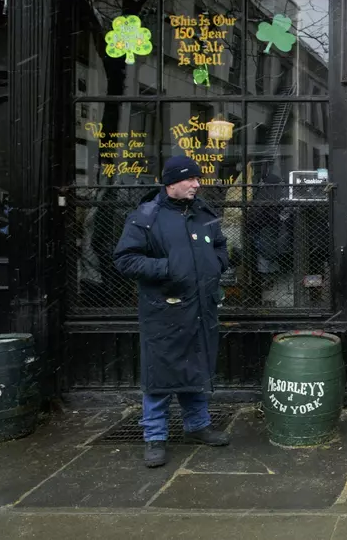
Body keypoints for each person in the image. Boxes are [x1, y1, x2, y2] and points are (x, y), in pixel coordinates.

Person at [113, 156, 231, 468]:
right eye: (190, 179)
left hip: (200, 308)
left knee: (195, 366)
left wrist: (214, 265)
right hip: (163, 311)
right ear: (171, 183)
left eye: (197, 179)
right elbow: (125, 259)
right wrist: (169, 268)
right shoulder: (146, 216)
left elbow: (221, 246)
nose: (196, 184)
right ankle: (155, 437)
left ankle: (197, 425)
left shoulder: (203, 213)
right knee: (160, 376)